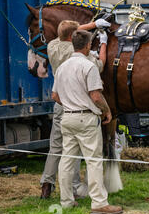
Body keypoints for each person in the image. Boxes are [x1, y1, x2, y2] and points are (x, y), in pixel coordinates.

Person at [52, 30, 122, 214]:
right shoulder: (89, 66)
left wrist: (70, 103)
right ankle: (99, 202)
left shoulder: (62, 67)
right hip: (86, 118)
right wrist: (106, 111)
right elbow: (96, 96)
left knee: (67, 160)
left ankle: (66, 201)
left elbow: (54, 95)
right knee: (94, 160)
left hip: (67, 117)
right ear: (88, 45)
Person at [40, 18, 110, 199]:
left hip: (61, 105)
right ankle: (76, 188)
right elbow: (101, 64)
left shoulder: (52, 47)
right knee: (77, 151)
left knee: (56, 148)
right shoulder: (82, 55)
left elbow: (70, 32)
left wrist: (92, 25)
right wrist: (103, 43)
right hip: (79, 106)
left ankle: (46, 185)